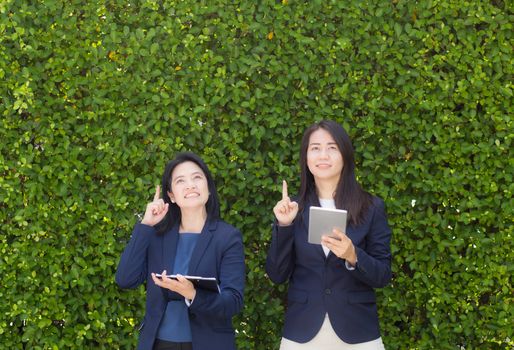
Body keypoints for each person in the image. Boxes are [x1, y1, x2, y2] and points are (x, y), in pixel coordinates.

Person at [266, 120, 392, 349]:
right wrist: (284, 226)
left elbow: (383, 275)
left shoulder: (371, 207)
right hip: (302, 331)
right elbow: (276, 274)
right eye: (315, 148)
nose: (323, 155)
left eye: (332, 147)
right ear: (306, 157)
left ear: (345, 154)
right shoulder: (293, 208)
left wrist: (353, 255)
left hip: (357, 331)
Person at [116, 152, 245, 350]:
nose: (190, 185)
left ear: (208, 188)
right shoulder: (158, 235)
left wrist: (192, 294)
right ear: (171, 196)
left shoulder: (227, 237)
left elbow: (233, 302)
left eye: (197, 177)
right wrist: (146, 225)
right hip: (158, 343)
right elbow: (125, 279)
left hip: (208, 343)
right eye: (180, 180)